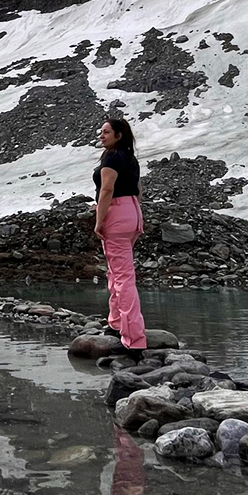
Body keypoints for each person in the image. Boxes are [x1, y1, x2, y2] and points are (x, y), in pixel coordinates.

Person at [92, 115, 147, 351]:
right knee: (116, 272)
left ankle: (134, 339)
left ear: (119, 135)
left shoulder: (112, 159)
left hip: (116, 214)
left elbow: (106, 190)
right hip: (132, 212)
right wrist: (137, 216)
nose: (101, 135)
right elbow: (138, 189)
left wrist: (99, 220)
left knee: (123, 277)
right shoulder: (130, 159)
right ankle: (115, 323)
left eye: (105, 132)